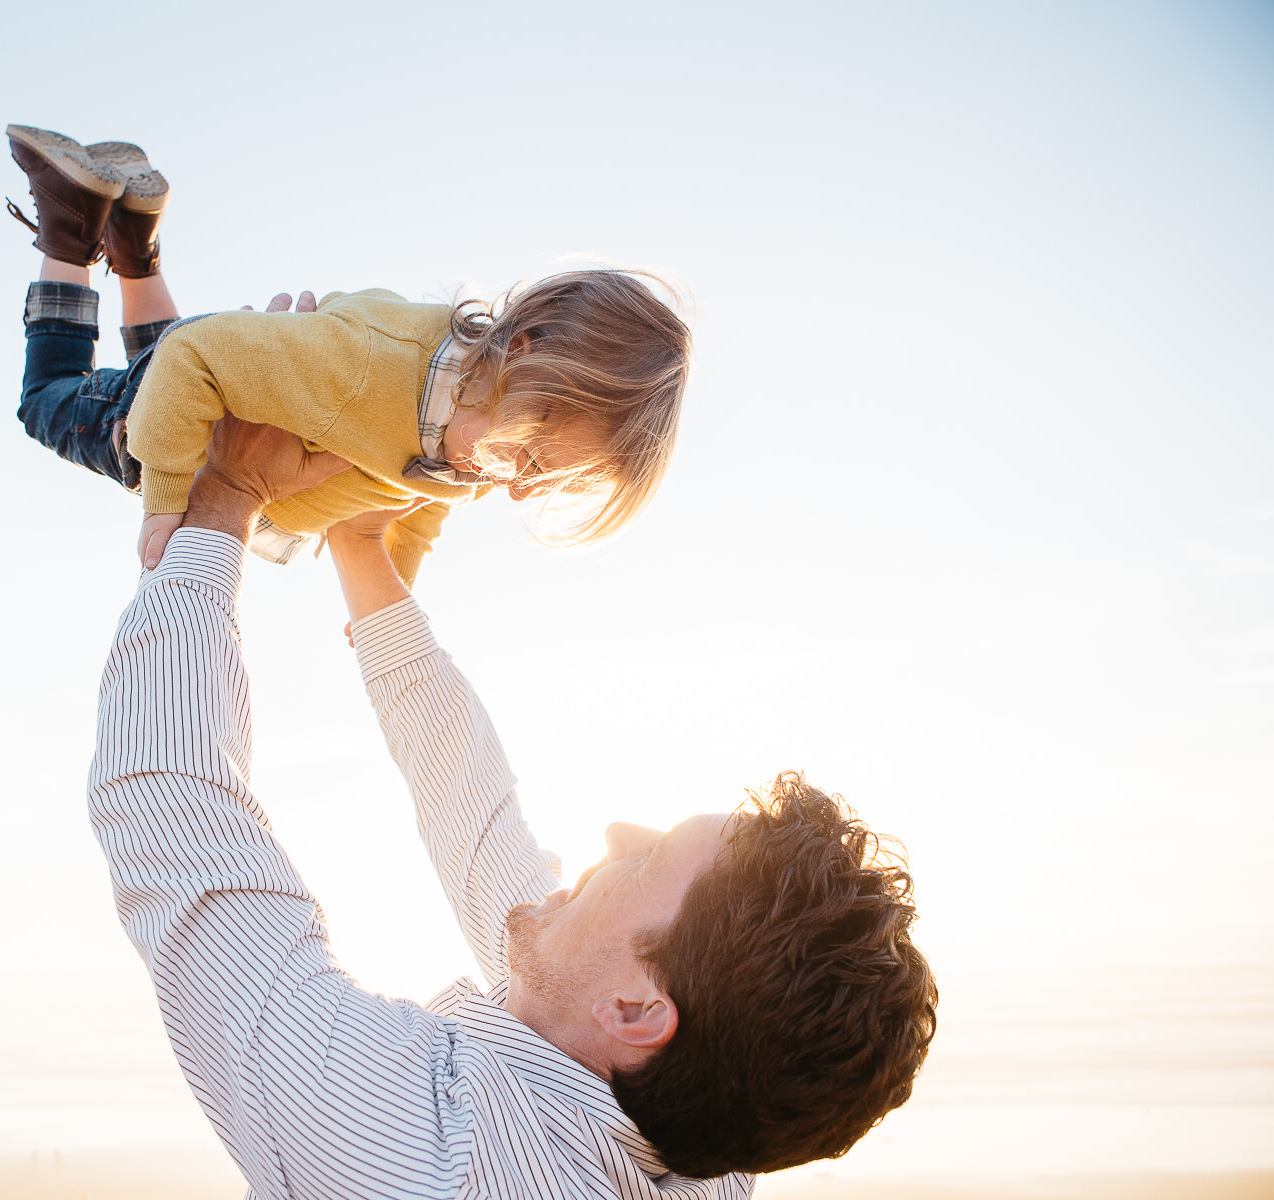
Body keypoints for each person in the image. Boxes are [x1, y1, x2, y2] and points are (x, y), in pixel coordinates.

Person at [88, 391, 939, 1197]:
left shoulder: (421, 1159)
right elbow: (478, 820)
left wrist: (228, 496)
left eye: (646, 863)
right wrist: (361, 552)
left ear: (639, 1012)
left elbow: (169, 801)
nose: (617, 832)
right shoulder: (701, 1136)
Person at [4, 123, 691, 583]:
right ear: (521, 352)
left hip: (231, 388)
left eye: (543, 481)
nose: (515, 484)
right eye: (533, 459)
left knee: (162, 362)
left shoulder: (476, 434)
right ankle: (69, 229)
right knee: (50, 399)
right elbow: (196, 359)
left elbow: (426, 502)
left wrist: (399, 580)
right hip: (182, 410)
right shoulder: (366, 371)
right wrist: (166, 501)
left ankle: (132, 233)